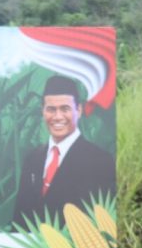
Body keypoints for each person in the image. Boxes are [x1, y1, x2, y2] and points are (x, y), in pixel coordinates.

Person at [11, 75, 116, 227]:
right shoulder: (32, 159)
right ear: (43, 111)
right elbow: (20, 219)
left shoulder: (100, 160)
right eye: (51, 109)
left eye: (65, 109)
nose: (58, 117)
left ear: (79, 110)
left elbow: (105, 221)